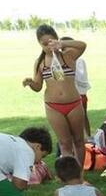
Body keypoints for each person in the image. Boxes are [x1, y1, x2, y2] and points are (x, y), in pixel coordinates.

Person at [22, 25, 87, 164]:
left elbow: (82, 45)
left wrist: (62, 44)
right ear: (39, 44)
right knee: (64, 143)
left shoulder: (67, 55)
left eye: (51, 42)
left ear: (56, 39)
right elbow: (38, 86)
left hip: (74, 104)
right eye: (44, 44)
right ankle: (69, 176)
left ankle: (80, 174)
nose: (48, 46)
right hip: (53, 107)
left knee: (79, 140)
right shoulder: (40, 62)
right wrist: (31, 83)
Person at [61, 37, 92, 138]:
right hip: (80, 94)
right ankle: (88, 138)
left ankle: (86, 140)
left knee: (79, 120)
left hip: (77, 95)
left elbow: (80, 78)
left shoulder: (77, 61)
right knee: (83, 118)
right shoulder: (76, 60)